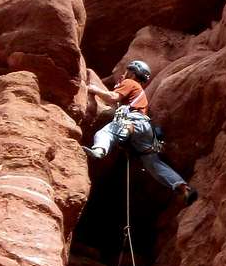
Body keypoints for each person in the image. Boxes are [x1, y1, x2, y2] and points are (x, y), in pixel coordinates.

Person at [85, 59, 198, 205]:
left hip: (132, 122)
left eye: (127, 71)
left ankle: (100, 149)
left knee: (105, 133)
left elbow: (113, 97)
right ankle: (182, 187)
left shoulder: (130, 83)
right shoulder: (140, 93)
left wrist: (94, 89)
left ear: (133, 73)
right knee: (154, 165)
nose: (124, 74)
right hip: (145, 129)